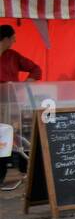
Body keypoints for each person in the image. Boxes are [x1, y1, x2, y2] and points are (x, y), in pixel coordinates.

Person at [0, 24, 40, 184]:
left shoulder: (13, 56)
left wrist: (25, 83)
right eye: (13, 39)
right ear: (6, 39)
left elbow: (36, 69)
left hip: (10, 103)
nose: (15, 41)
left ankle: (24, 170)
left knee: (14, 134)